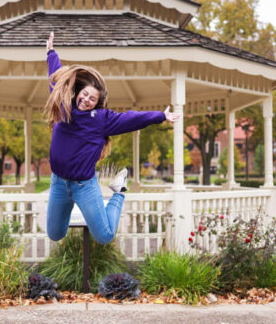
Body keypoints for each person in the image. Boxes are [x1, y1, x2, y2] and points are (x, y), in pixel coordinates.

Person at [44, 32, 180, 244]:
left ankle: (118, 192)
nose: (86, 99)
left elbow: (131, 119)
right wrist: (51, 52)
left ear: (96, 103)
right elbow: (56, 75)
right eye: (85, 94)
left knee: (105, 236)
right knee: (55, 234)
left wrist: (161, 116)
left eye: (92, 98)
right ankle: (72, 207)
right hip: (59, 183)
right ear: (78, 92)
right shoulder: (62, 105)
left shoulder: (100, 119)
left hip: (84, 185)